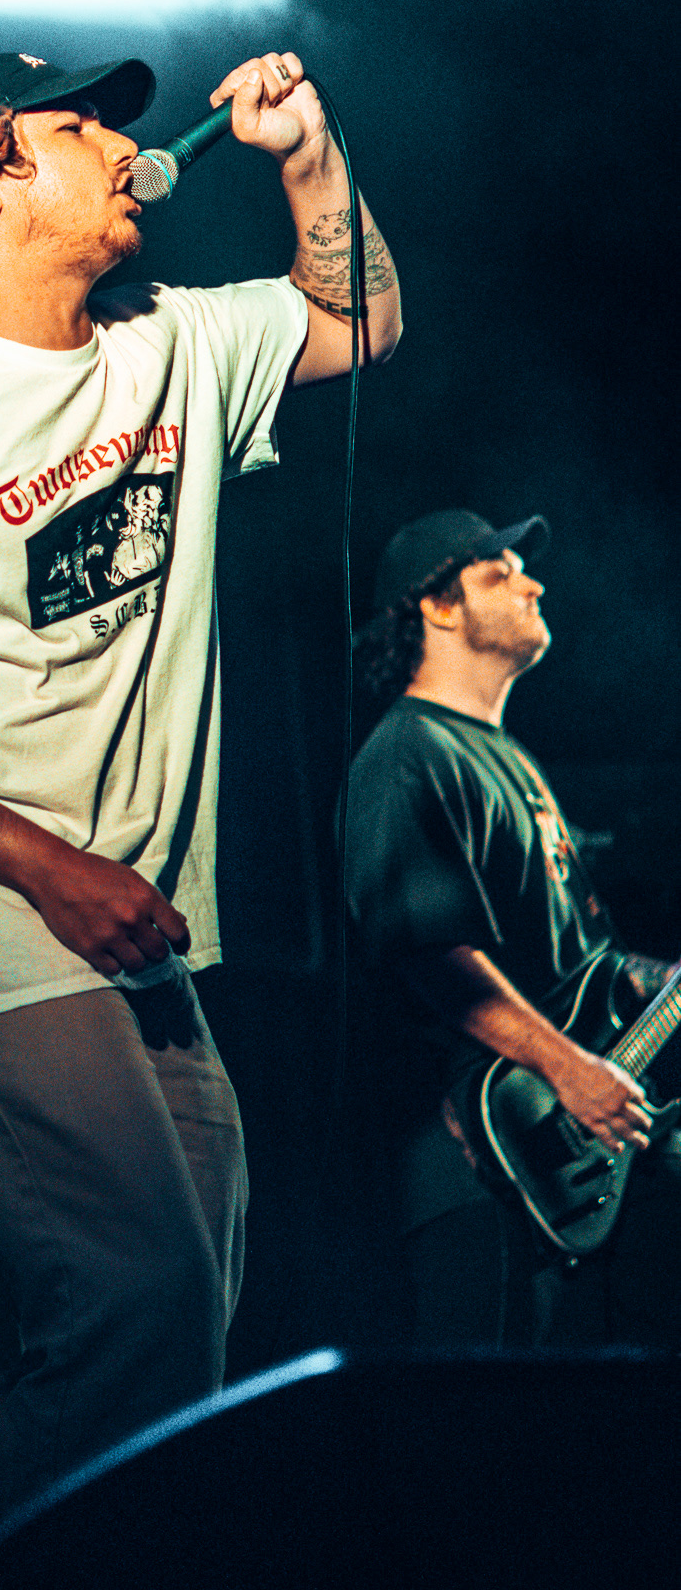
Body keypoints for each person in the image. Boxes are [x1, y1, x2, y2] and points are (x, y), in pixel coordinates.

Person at [0, 44, 400, 1582]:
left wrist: (308, 157)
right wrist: (51, 870)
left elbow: (360, 322)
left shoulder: (171, 340)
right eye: (77, 130)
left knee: (179, 1343)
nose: (124, 151)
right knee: (129, 1308)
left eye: (121, 129)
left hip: (130, 924)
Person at [346, 509, 681, 1349]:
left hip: (566, 1159)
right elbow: (429, 956)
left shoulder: (510, 758)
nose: (531, 584)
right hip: (477, 1161)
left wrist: (654, 983)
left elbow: (585, 964)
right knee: (485, 1411)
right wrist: (569, 1070)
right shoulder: (406, 755)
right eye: (499, 574)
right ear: (436, 607)